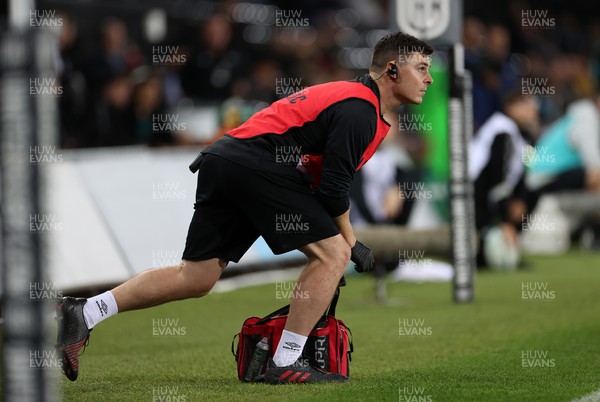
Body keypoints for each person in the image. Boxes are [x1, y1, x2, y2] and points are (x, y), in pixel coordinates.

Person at [57, 32, 434, 384]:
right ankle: (284, 362)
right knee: (332, 254)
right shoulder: (360, 110)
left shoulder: (358, 103)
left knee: (197, 277)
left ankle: (85, 311)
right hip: (256, 164)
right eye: (421, 68)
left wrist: (338, 247)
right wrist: (350, 245)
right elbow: (334, 193)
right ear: (392, 70)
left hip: (226, 160)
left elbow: (322, 185)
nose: (428, 78)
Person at [469, 89, 539, 266]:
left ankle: (507, 247)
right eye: (526, 105)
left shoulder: (523, 137)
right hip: (475, 196)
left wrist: (520, 200)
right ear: (510, 107)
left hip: (493, 196)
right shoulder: (502, 131)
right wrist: (504, 220)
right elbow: (494, 179)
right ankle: (484, 251)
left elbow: (523, 175)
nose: (532, 110)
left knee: (531, 194)